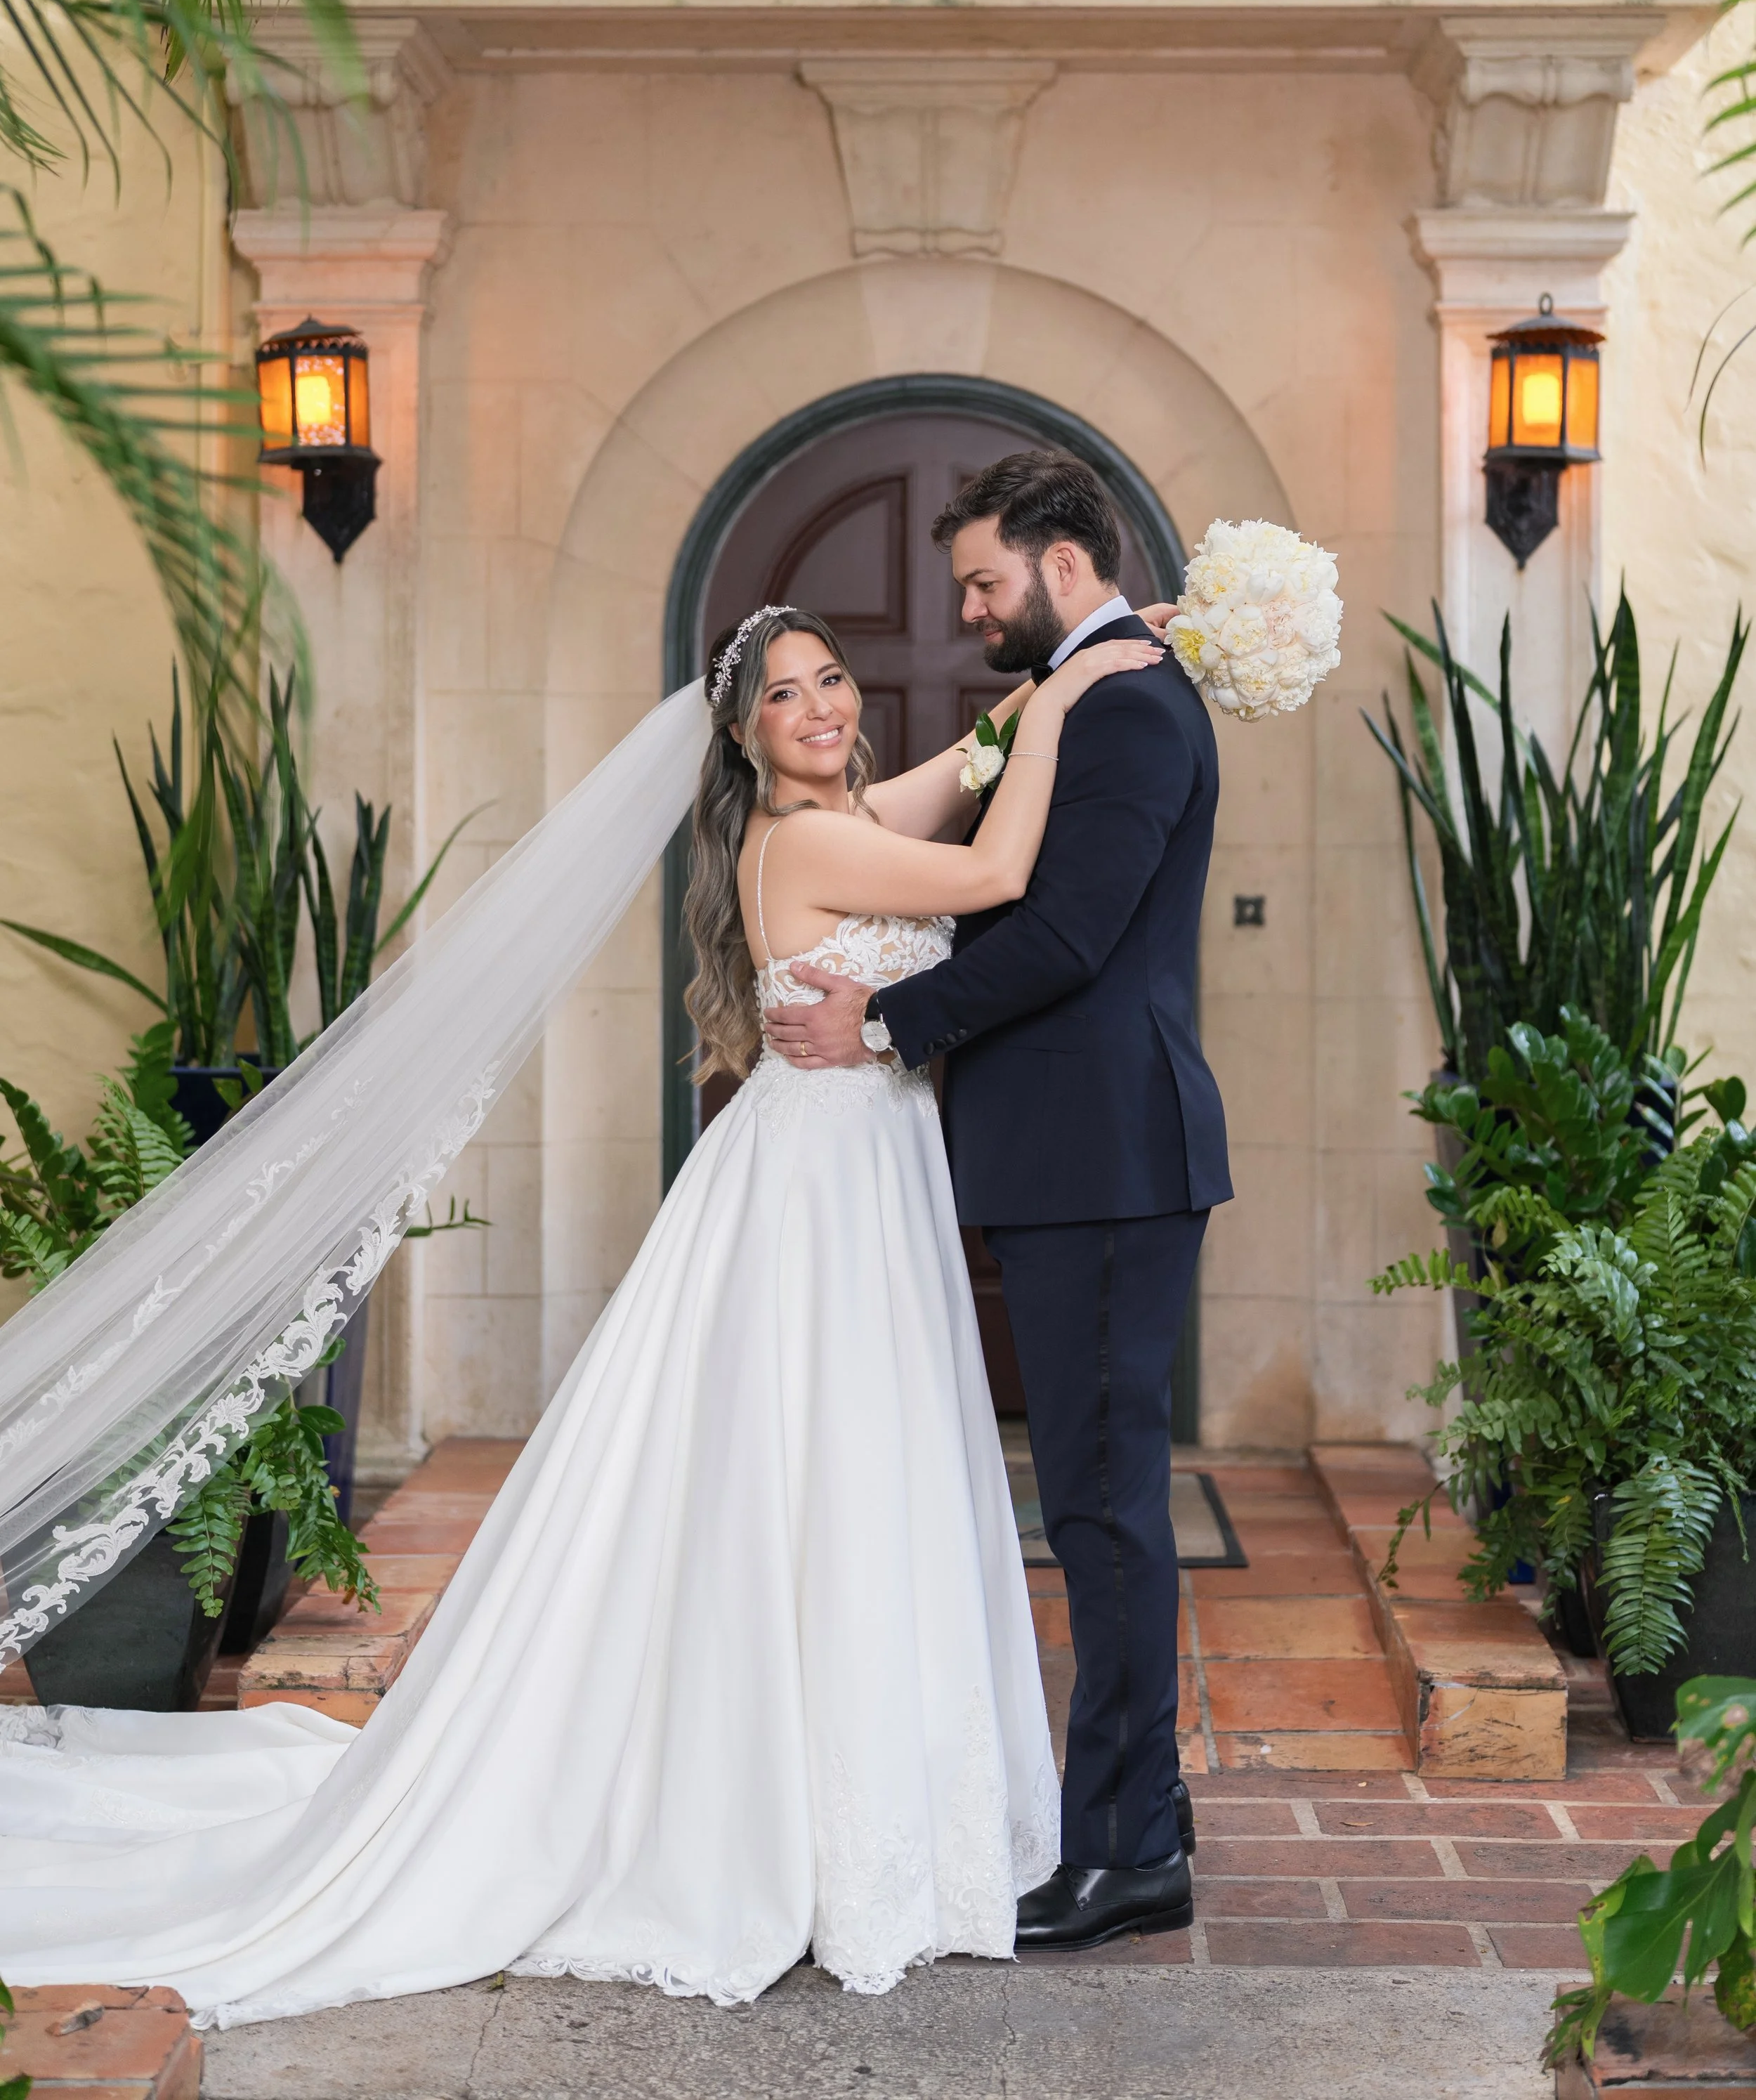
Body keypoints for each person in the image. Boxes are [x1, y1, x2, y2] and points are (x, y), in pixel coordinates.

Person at [0, 604, 1159, 2027]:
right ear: (740, 736)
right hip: (822, 1185)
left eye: (833, 681)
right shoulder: (802, 841)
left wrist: (1061, 674)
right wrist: (1068, 701)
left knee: (849, 1466)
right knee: (828, 1465)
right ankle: (794, 1821)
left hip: (854, 1169)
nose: (821, 707)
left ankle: (852, 1809)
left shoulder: (843, 809)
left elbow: (957, 778)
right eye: (786, 695)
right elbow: (992, 864)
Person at [764, 451, 1231, 1952]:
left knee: (1100, 1508)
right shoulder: (1082, 696)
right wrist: (1023, 716)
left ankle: (1125, 1848)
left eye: (981, 581)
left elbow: (1074, 935)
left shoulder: (1130, 707)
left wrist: (884, 1027)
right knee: (1093, 1501)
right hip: (1068, 1156)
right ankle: (1123, 1817)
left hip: (1105, 1157)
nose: (966, 612)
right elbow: (980, 830)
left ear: (1066, 567)